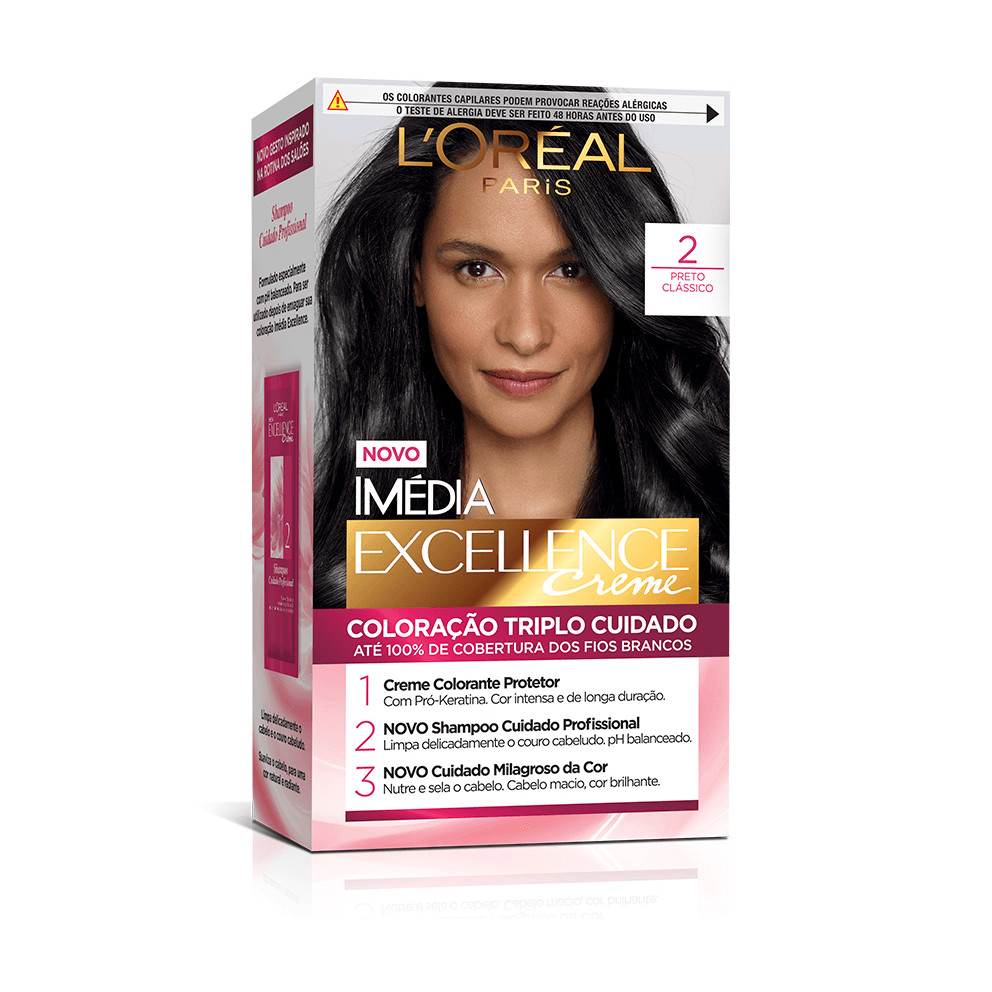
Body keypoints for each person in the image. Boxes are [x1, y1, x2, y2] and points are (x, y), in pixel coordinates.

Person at [313, 88, 729, 607]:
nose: (526, 335)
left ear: (623, 283)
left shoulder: (721, 553)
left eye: (571, 270)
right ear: (414, 275)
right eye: (476, 269)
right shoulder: (340, 567)